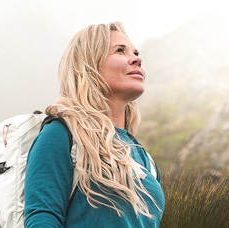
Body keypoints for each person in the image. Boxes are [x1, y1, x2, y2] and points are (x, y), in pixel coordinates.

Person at [24, 22, 164, 228]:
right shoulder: (61, 135)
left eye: (135, 52)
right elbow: (43, 219)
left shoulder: (146, 159)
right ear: (89, 65)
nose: (137, 59)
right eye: (120, 51)